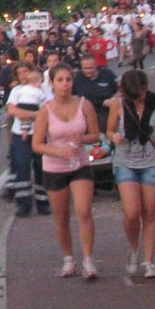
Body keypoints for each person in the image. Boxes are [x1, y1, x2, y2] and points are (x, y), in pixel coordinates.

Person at [106, 69, 155, 278]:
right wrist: (114, 136)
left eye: (142, 93)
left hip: (152, 161)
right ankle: (133, 248)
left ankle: (149, 261)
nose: (140, 98)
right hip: (125, 161)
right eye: (135, 95)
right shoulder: (118, 104)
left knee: (150, 212)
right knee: (131, 212)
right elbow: (109, 130)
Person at [34, 64, 102, 279]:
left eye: (68, 79)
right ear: (52, 84)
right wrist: (57, 150)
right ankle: (68, 258)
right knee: (62, 216)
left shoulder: (84, 105)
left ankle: (88, 260)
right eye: (60, 80)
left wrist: (83, 139)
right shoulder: (45, 110)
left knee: (84, 210)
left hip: (79, 164)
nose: (65, 84)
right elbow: (37, 144)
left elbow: (96, 135)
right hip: (55, 167)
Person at [5, 63, 49, 217]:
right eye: (20, 73)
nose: (23, 75)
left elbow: (48, 109)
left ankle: (43, 202)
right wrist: (34, 115)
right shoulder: (16, 91)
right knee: (22, 165)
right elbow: (12, 110)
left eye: (26, 71)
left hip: (39, 133)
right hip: (20, 133)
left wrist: (29, 114)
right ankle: (23, 203)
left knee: (41, 167)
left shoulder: (43, 90)